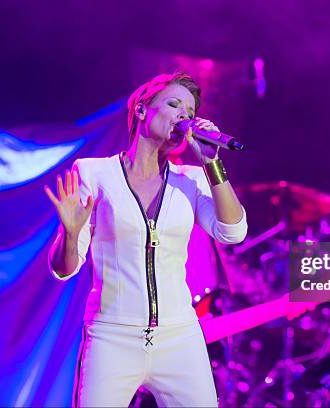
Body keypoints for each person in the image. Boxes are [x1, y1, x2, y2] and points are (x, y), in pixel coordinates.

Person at [44, 72, 247, 407]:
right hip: (111, 336)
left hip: (179, 336)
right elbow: (63, 269)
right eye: (174, 104)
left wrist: (212, 164)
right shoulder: (95, 174)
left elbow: (233, 231)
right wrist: (70, 232)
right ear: (141, 110)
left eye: (190, 111)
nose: (185, 116)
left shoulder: (191, 180)